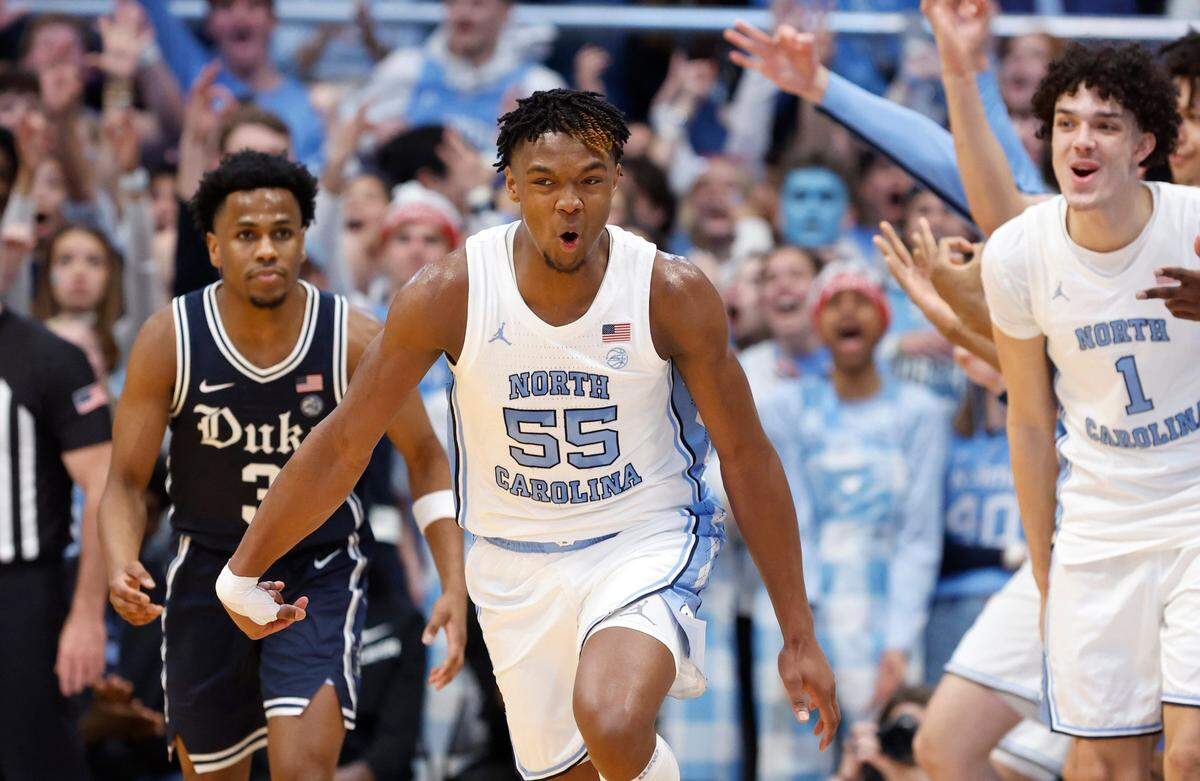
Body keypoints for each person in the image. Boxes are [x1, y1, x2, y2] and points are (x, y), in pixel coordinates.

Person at [214, 88, 839, 781]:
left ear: (616, 182)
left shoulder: (670, 291)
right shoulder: (448, 292)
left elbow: (747, 454)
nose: (569, 202)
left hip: (641, 537)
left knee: (611, 717)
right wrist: (241, 570)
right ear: (510, 186)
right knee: (579, 769)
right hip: (513, 559)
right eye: (545, 182)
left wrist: (798, 632)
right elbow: (343, 443)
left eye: (589, 181)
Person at [99, 150, 467, 779]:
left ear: (304, 240)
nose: (267, 249)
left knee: (303, 769)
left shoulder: (353, 337)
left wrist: (452, 581)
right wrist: (120, 561)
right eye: (247, 235)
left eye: (282, 233)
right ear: (214, 247)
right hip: (208, 568)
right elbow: (127, 482)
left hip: (316, 570)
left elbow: (427, 456)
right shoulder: (170, 338)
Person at [980, 40, 1200, 778]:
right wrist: (1047, 573)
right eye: (1067, 123)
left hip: (1195, 505)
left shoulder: (1194, 225)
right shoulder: (1017, 254)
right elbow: (1029, 421)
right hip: (1099, 523)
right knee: (1103, 766)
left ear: (1144, 146)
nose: (1081, 140)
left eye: (1106, 125)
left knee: (1191, 753)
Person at [755, 261, 948, 781]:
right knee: (795, 758)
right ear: (817, 323)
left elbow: (919, 537)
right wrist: (801, 626)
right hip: (802, 602)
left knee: (883, 759)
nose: (847, 312)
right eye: (834, 303)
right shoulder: (786, 408)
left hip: (886, 604)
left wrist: (899, 640)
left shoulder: (922, 412)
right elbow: (792, 521)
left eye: (861, 300)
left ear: (885, 320)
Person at [0, 238, 113, 779]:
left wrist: (87, 615)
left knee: (37, 761)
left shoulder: (49, 358)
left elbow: (104, 485)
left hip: (24, 594)